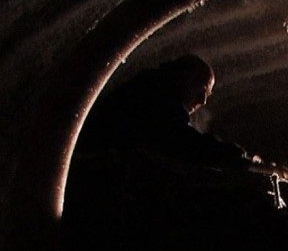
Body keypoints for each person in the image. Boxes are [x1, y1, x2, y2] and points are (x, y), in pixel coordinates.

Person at [78, 53, 256, 169]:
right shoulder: (151, 97)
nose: (202, 101)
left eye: (207, 95)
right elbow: (181, 141)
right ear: (184, 79)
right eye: (201, 91)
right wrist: (233, 155)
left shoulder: (151, 88)